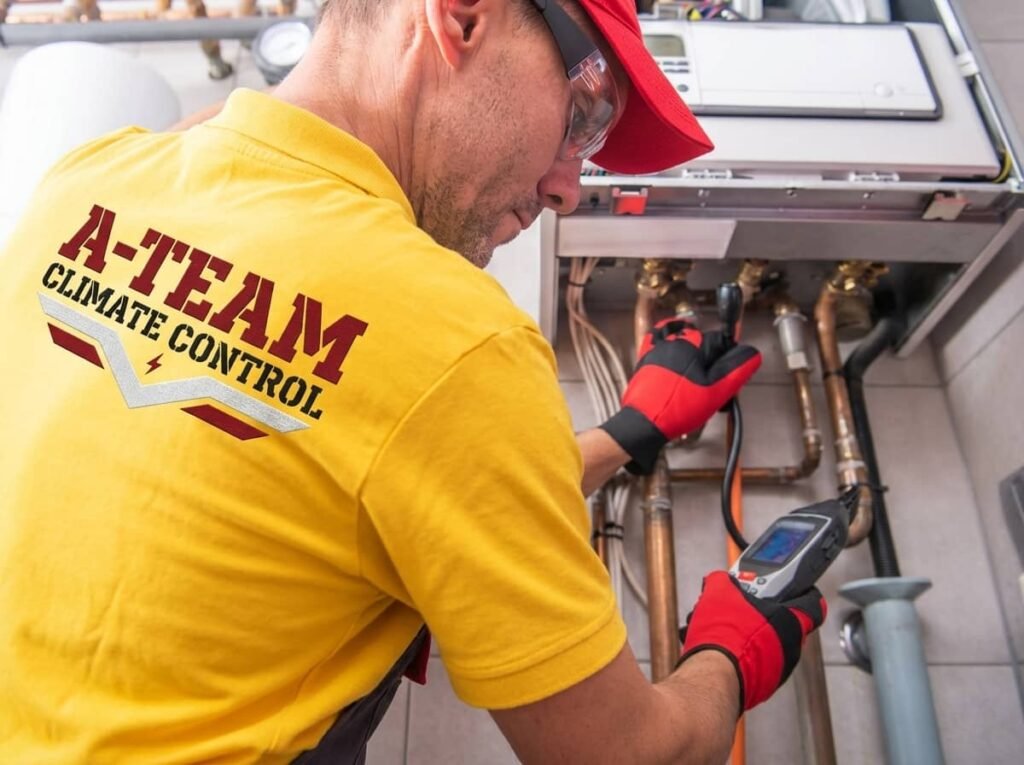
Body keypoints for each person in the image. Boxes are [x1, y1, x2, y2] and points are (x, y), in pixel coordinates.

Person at [0, 0, 826, 762]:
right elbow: (625, 754)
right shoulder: (459, 339)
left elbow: (337, 489)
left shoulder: (84, 182)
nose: (568, 187)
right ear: (461, 17)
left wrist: (625, 435)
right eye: (583, 116)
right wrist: (731, 651)